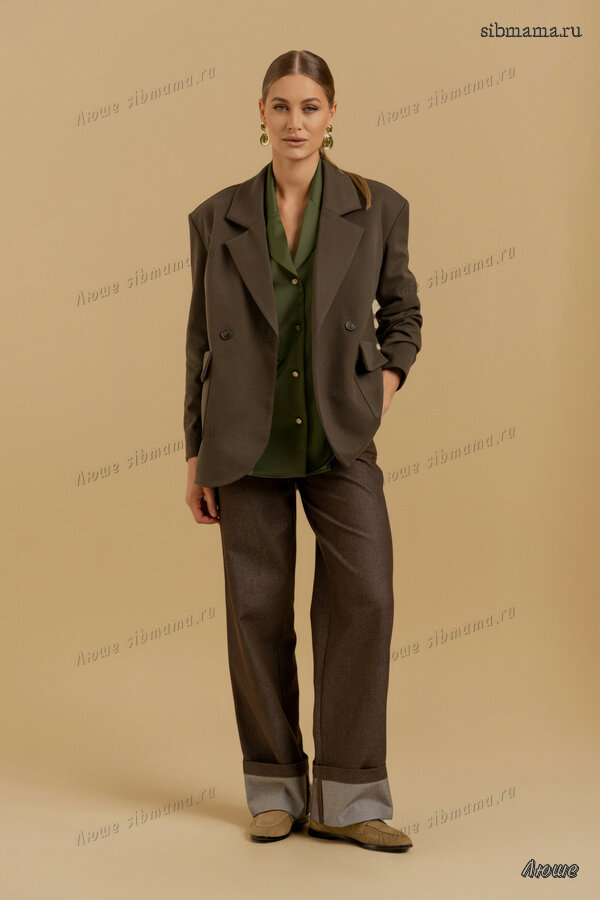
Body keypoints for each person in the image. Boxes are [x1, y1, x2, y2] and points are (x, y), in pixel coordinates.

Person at [184, 50, 422, 852]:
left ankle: (349, 801)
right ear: (261, 114)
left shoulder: (378, 207)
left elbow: (403, 314)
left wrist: (382, 384)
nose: (295, 121)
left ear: (332, 115)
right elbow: (198, 344)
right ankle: (276, 790)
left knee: (367, 597)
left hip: (338, 434)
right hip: (242, 442)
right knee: (256, 612)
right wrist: (194, 453)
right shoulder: (215, 217)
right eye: (281, 106)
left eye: (310, 106)